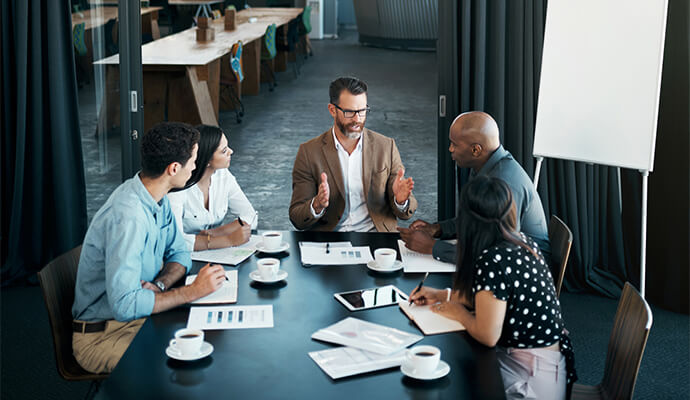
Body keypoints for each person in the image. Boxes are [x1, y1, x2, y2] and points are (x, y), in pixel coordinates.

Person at [72, 122, 227, 374]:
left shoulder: (156, 196)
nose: (196, 167)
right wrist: (192, 292)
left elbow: (179, 254)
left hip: (138, 318)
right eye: (193, 161)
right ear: (174, 168)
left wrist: (161, 285)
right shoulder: (129, 217)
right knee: (189, 366)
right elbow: (124, 306)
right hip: (103, 336)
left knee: (210, 346)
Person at [409, 176, 576, 399]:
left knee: (455, 381)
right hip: (547, 365)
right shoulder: (522, 241)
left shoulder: (492, 261)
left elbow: (488, 336)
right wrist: (443, 295)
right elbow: (499, 300)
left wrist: (459, 312)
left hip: (531, 379)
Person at [399, 111, 550, 262]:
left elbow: (495, 254)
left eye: (455, 144)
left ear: (476, 150)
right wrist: (438, 229)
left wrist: (432, 247)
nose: (450, 149)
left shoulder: (504, 184)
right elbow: (475, 221)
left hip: (526, 266)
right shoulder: (484, 165)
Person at [290, 76, 417, 232]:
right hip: (330, 238)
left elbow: (405, 213)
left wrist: (400, 200)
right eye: (349, 112)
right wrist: (316, 205)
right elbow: (297, 217)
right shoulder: (309, 152)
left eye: (362, 111)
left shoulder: (386, 147)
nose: (357, 119)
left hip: (375, 236)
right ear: (332, 110)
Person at [168, 125, 255, 251]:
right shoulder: (178, 187)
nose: (231, 151)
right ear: (206, 160)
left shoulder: (223, 175)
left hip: (216, 254)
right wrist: (228, 240)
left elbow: (250, 215)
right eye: (224, 151)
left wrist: (216, 232)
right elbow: (176, 241)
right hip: (184, 258)